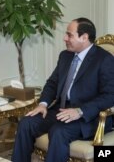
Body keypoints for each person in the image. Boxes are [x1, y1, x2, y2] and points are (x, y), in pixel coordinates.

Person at [11, 17, 114, 162]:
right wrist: (43, 104)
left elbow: (110, 95)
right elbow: (52, 83)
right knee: (26, 123)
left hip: (89, 117)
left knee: (59, 131)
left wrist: (80, 111)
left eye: (69, 35)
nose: (65, 38)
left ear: (84, 37)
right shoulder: (65, 56)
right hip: (61, 110)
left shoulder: (104, 59)